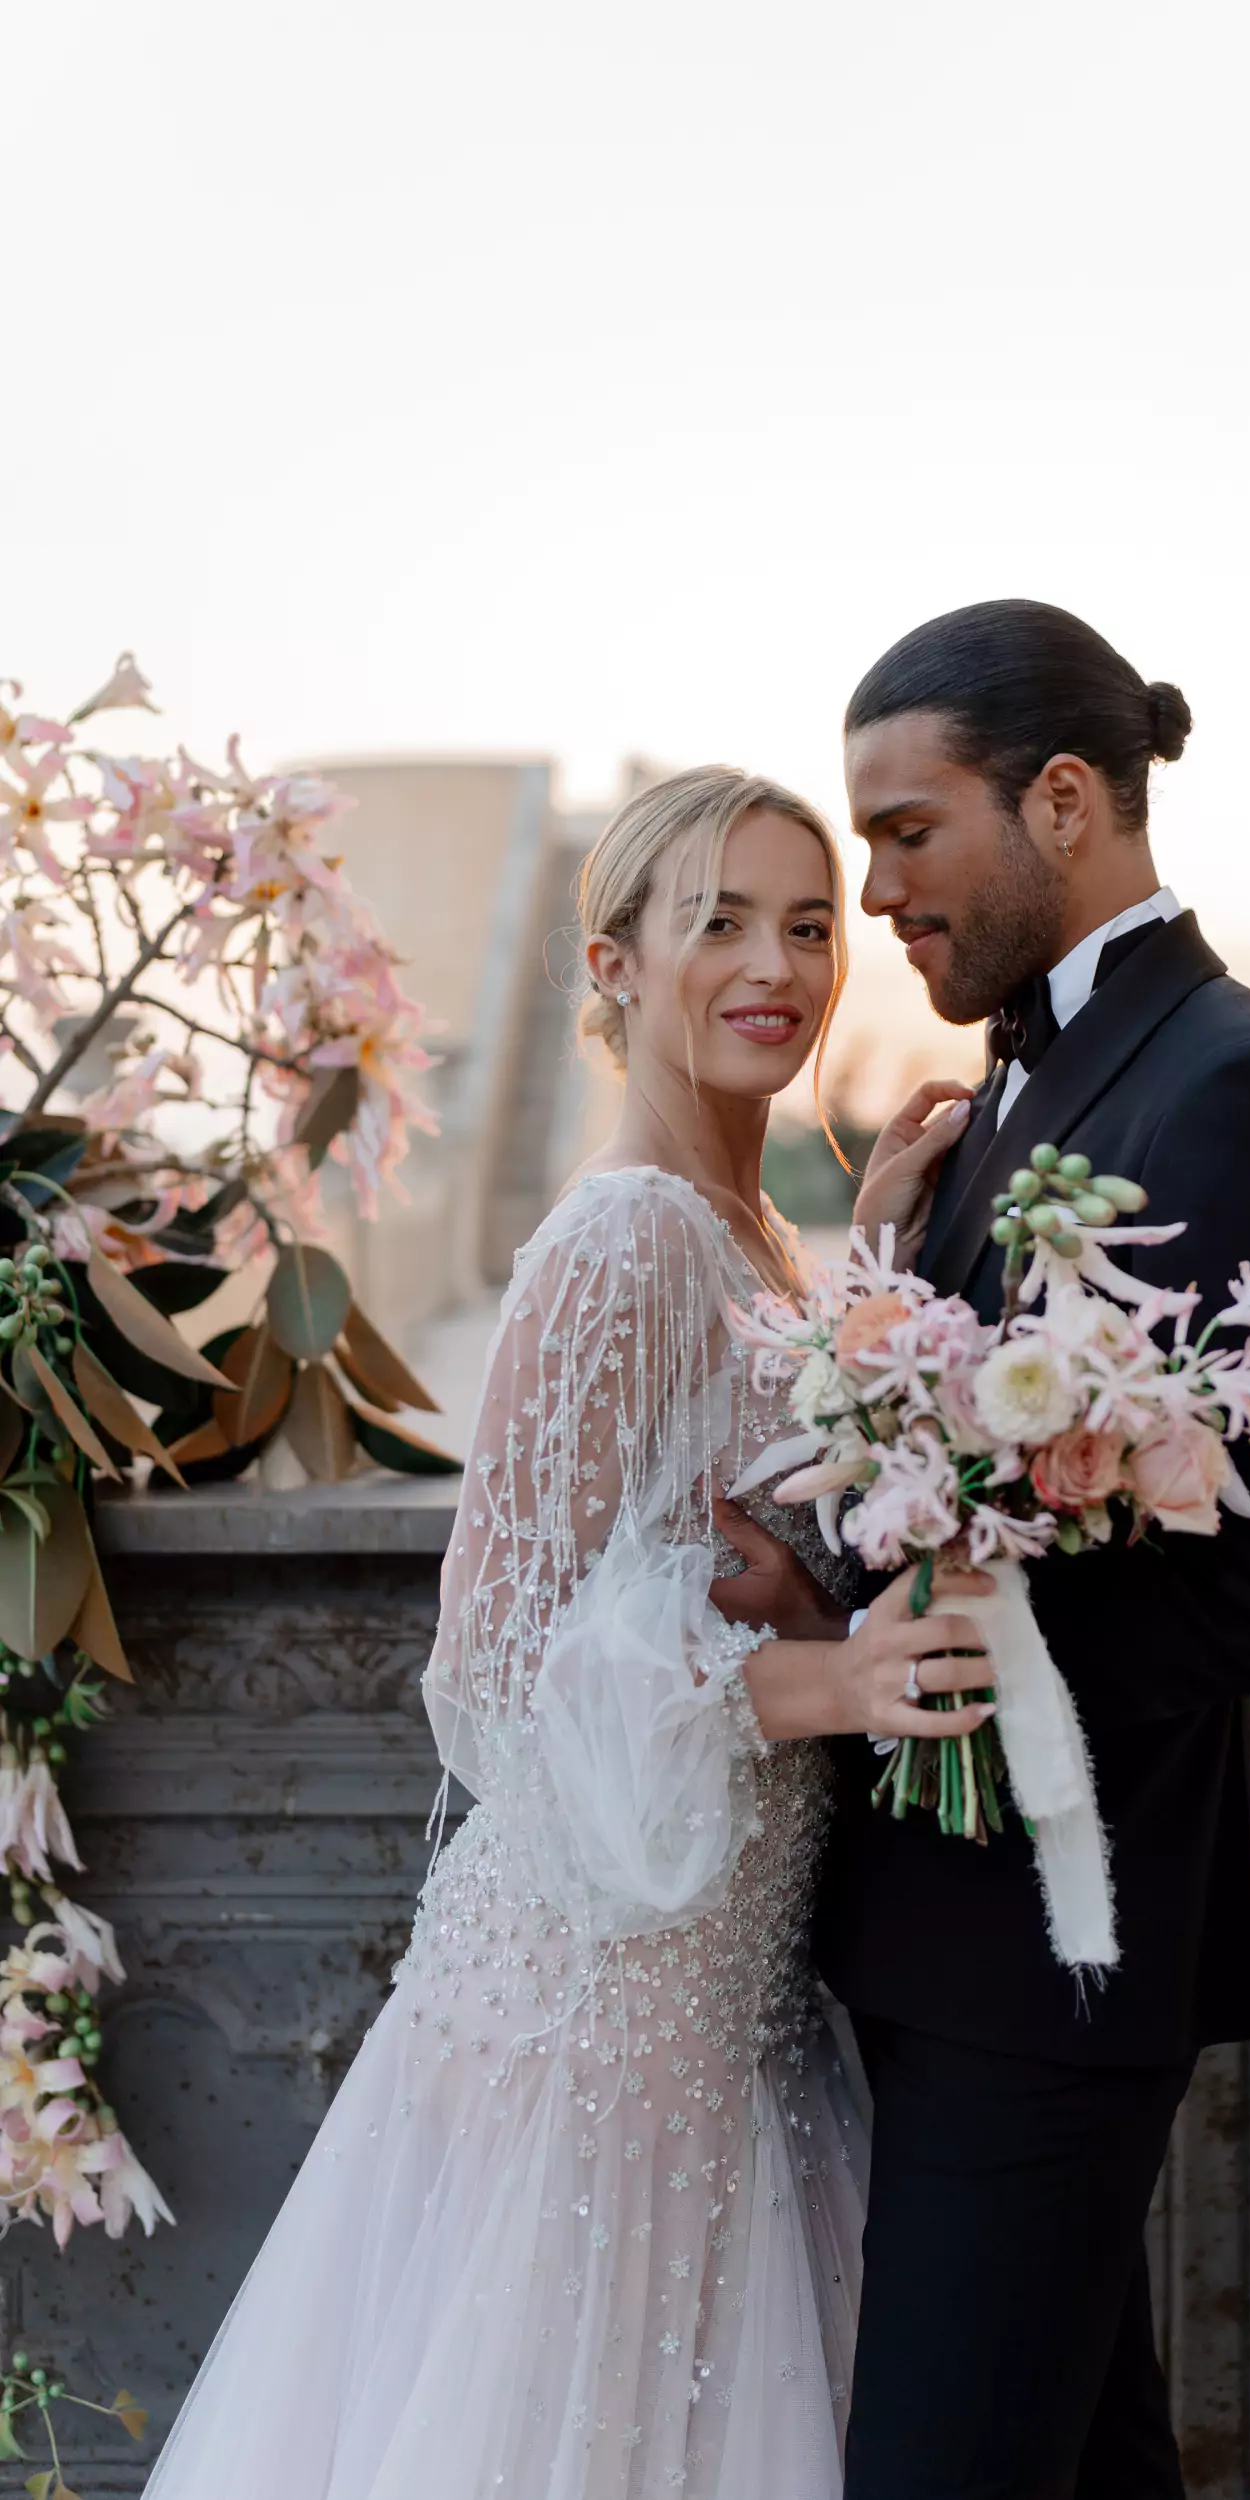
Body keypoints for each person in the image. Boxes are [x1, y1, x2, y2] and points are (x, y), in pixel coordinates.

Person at [144, 766, 990, 2500]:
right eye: (719, 922)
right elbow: (501, 1669)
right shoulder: (613, 1242)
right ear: (611, 965)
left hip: (722, 1983)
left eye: (810, 923)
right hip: (601, 2005)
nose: (777, 964)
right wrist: (828, 1679)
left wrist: (886, 1252)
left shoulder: (755, 1238)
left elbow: (730, 1490)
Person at [711, 601, 1250, 2500]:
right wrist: (838, 1571)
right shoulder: (1012, 1085)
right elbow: (960, 1460)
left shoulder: (1242, 1087)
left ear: (1064, 799)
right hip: (932, 1949)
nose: (877, 892)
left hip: (1052, 1960)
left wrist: (928, 1656)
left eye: (907, 831)